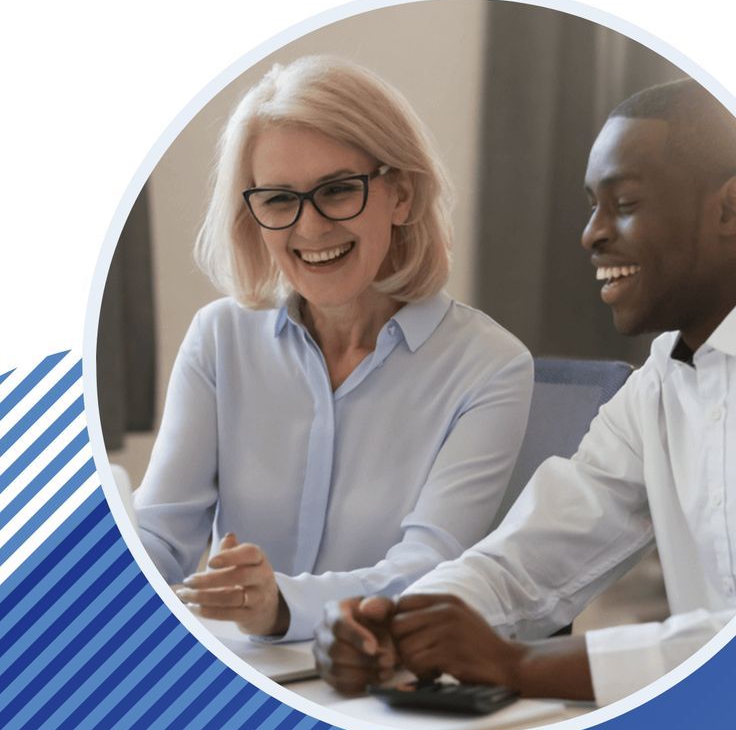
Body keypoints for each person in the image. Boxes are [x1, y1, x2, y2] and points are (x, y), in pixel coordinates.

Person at [315, 78, 736, 703]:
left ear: (728, 211)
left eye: (624, 202)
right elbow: (529, 562)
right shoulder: (659, 386)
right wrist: (398, 624)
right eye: (591, 204)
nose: (591, 234)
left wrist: (521, 666)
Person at [136, 56, 533, 640]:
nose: (311, 228)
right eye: (277, 200)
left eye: (339, 190)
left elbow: (427, 575)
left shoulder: (491, 366)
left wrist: (280, 606)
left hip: (379, 682)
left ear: (401, 195)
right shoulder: (219, 338)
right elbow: (160, 533)